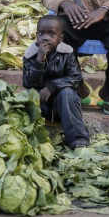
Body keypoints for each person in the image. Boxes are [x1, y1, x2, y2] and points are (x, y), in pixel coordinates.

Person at [23, 15, 89, 149]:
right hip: (42, 105)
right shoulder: (30, 56)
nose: (45, 37)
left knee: (67, 92)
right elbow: (29, 83)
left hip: (64, 105)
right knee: (27, 96)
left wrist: (52, 86)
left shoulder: (67, 53)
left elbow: (75, 77)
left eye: (51, 34)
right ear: (36, 35)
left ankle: (78, 139)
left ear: (60, 38)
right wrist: (39, 61)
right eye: (41, 33)